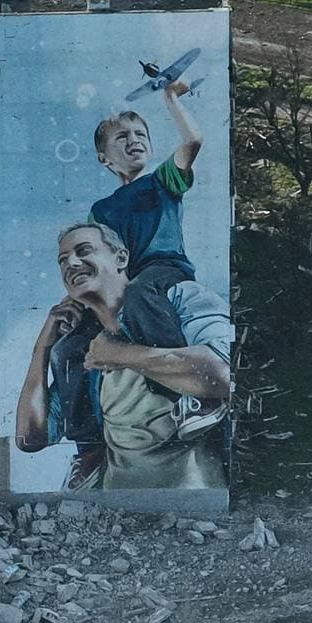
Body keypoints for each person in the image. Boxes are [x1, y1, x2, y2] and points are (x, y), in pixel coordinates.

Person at [16, 223, 232, 493]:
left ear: (121, 258)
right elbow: (29, 438)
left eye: (84, 251)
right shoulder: (81, 351)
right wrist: (42, 349)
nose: (71, 263)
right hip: (115, 507)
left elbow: (226, 376)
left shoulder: (177, 298)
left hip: (194, 500)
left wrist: (119, 354)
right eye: (62, 260)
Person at [77, 76, 226, 440]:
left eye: (140, 134)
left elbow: (193, 141)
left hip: (162, 271)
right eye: (122, 137)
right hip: (129, 281)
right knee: (74, 343)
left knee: (140, 293)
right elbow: (104, 259)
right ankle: (89, 441)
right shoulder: (101, 209)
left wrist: (172, 98)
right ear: (104, 158)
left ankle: (196, 394)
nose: (134, 141)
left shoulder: (162, 182)